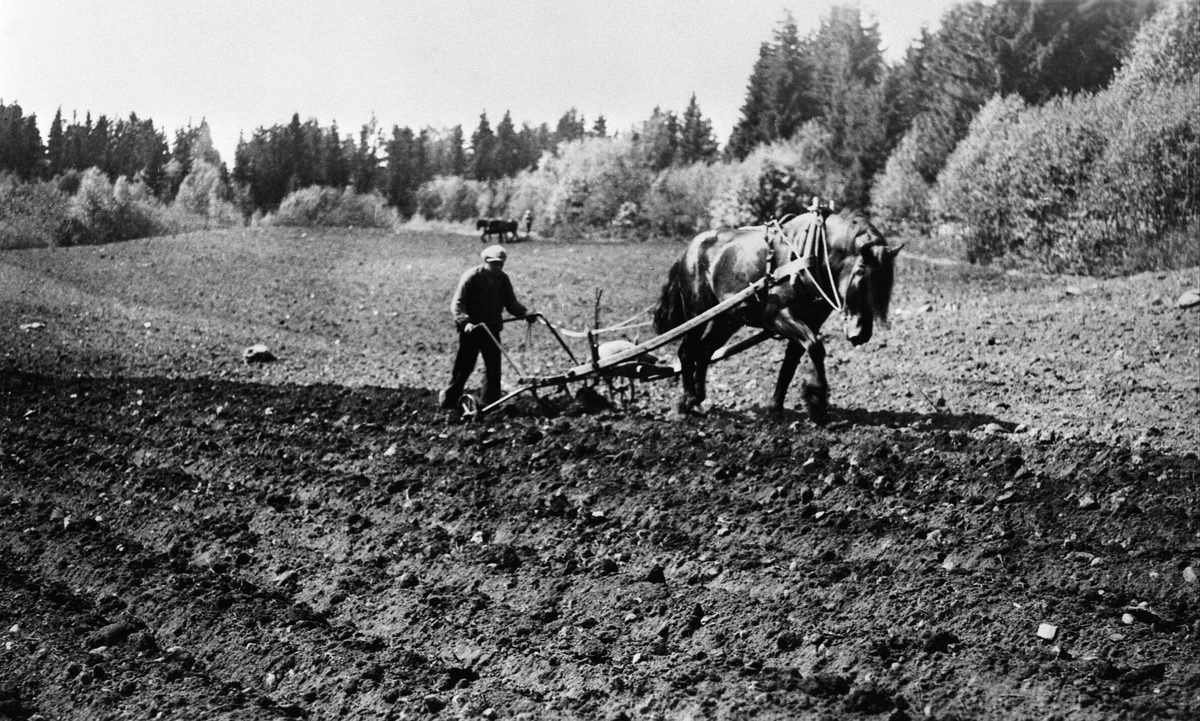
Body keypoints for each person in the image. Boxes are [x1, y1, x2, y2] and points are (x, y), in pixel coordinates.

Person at [438, 244, 534, 411]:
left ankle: (489, 404)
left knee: (493, 368)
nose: (498, 267)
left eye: (501, 263)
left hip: (491, 328)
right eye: (495, 263)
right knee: (464, 367)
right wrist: (466, 322)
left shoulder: (503, 279)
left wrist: (524, 313)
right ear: (486, 261)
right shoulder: (472, 276)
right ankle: (448, 401)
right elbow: (458, 304)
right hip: (472, 330)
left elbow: (510, 302)